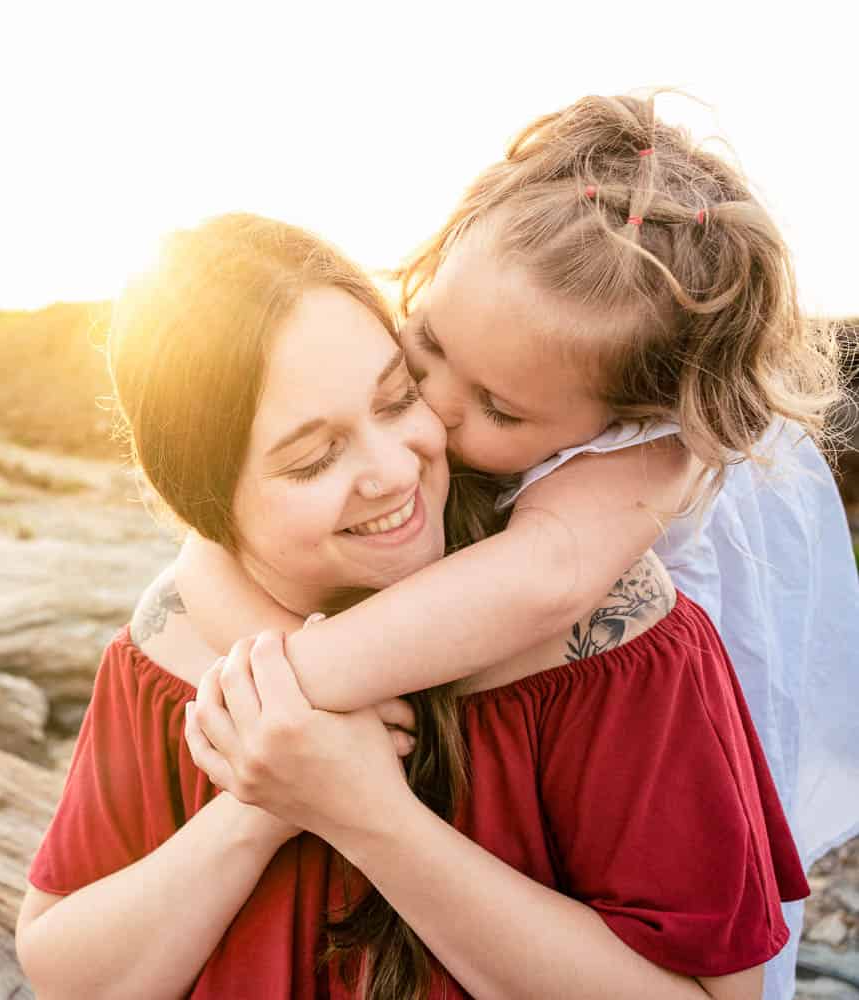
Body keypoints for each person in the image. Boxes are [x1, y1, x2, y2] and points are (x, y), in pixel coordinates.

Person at [15, 212, 806, 999]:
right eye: (314, 458)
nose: (393, 471)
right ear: (204, 500)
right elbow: (66, 978)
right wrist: (262, 803)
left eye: (397, 401)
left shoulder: (612, 636)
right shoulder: (170, 642)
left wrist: (367, 814)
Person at [177, 93, 858, 1000]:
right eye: (424, 345)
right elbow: (201, 561)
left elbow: (540, 584)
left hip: (649, 753)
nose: (438, 406)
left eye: (498, 409)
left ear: (636, 412)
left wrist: (287, 695)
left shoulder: (657, 457)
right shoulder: (489, 357)